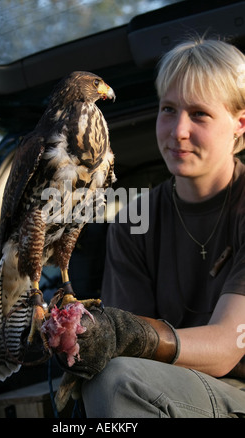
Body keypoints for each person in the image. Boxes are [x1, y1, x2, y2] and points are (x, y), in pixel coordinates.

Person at [75, 37, 245, 418]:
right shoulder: (134, 222)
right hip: (168, 387)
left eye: (199, 114)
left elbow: (226, 347)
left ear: (240, 123)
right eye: (169, 109)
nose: (178, 130)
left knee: (119, 382)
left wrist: (133, 336)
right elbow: (121, 349)